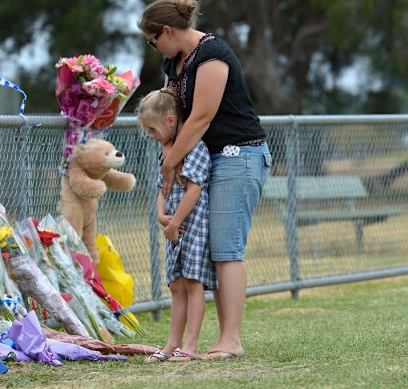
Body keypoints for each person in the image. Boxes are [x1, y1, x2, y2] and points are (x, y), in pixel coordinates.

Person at [138, 0, 272, 360]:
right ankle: (212, 340)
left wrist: (171, 162)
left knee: (227, 249)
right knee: (212, 252)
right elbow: (173, 114)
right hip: (204, 159)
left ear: (167, 31)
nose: (154, 49)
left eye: (153, 40)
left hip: (237, 156)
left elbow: (200, 117)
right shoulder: (173, 62)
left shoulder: (212, 55)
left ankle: (231, 340)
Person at [136, 88, 217, 362]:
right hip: (173, 230)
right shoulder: (166, 155)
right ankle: (172, 344)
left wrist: (175, 223)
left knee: (193, 283)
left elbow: (194, 190)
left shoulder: (195, 148)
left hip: (192, 226)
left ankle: (190, 346)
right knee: (176, 285)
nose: (150, 135)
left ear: (171, 121)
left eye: (152, 129)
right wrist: (162, 216)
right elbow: (163, 189)